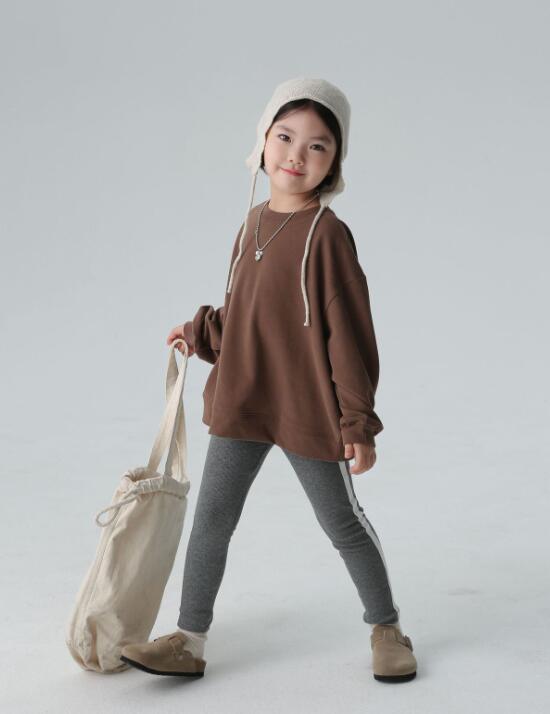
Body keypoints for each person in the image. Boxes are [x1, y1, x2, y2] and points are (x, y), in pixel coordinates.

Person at [120, 77, 417, 683]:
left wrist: (357, 422)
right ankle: (189, 640)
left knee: (342, 523)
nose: (296, 155)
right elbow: (246, 314)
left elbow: (350, 338)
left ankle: (386, 627)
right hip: (244, 401)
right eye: (285, 137)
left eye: (317, 145)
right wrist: (200, 331)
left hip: (308, 409)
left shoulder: (327, 236)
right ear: (262, 141)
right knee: (211, 522)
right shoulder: (252, 222)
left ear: (334, 162)